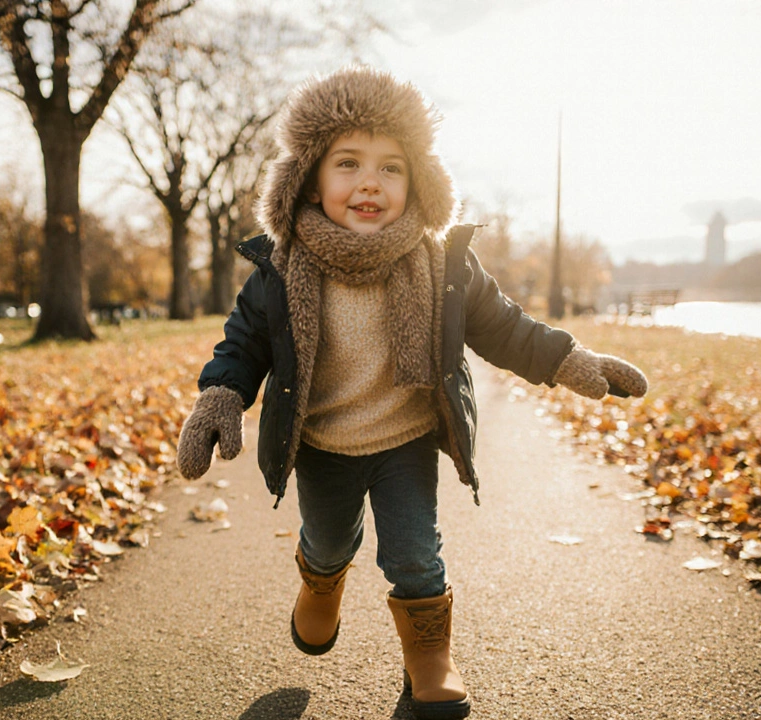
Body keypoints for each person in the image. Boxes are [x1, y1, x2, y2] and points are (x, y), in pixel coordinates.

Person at [176, 66, 648, 720]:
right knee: (331, 538)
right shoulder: (281, 270)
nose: (370, 181)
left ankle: (430, 663)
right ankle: (320, 579)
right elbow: (243, 343)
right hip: (322, 446)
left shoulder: (439, 263)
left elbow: (503, 326)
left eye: (391, 167)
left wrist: (570, 359)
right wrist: (220, 397)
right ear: (309, 178)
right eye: (348, 163)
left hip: (405, 439)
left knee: (415, 553)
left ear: (418, 181)